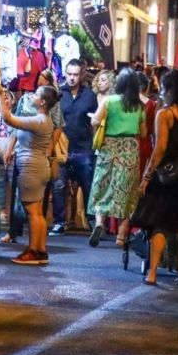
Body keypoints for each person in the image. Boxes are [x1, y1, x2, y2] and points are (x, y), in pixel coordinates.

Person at [132, 70, 178, 287]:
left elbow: (160, 148)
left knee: (159, 225)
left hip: (167, 176)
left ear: (171, 90)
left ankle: (152, 273)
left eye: (163, 88)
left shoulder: (165, 114)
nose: (160, 92)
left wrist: (146, 177)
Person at [0, 85, 60, 265]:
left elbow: (7, 118)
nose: (32, 95)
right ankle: (40, 250)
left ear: (42, 102)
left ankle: (33, 251)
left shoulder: (39, 121)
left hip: (31, 169)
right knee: (37, 213)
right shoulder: (42, 119)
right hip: (38, 168)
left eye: (36, 94)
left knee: (33, 213)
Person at [88, 68, 146, 246]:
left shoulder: (109, 101)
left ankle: (99, 223)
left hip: (109, 147)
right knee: (126, 192)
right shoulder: (140, 106)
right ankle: (121, 237)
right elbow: (143, 133)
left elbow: (94, 121)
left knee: (101, 185)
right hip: (129, 149)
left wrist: (101, 124)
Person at [50, 59, 99, 234]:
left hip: (83, 147)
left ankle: (92, 220)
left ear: (82, 75)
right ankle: (59, 221)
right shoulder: (58, 94)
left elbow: (94, 122)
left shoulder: (89, 96)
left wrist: (94, 146)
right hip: (61, 147)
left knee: (88, 184)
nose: (72, 78)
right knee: (59, 185)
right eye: (69, 74)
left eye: (75, 74)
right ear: (65, 73)